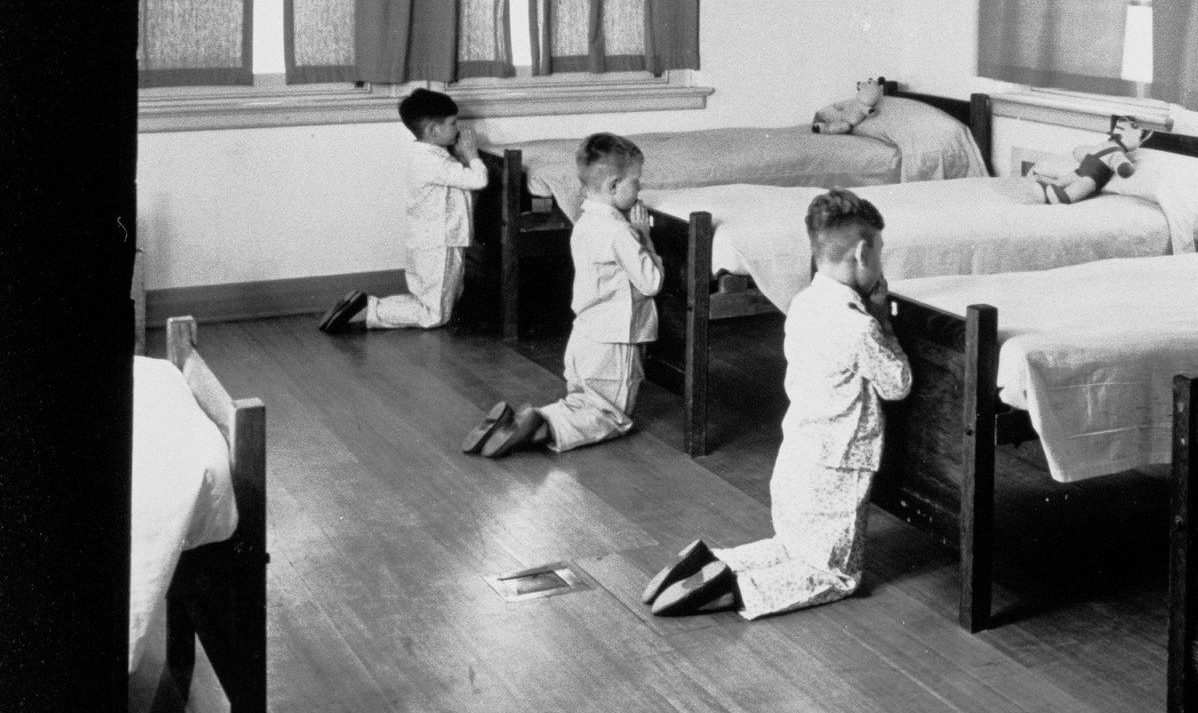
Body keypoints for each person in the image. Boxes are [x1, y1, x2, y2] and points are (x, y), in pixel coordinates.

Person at [647, 188, 912, 618]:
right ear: (862, 253)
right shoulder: (859, 326)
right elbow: (897, 384)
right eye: (879, 253)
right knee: (834, 574)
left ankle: (716, 561)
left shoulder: (803, 304)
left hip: (796, 455)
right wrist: (883, 320)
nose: (880, 264)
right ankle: (737, 587)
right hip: (840, 463)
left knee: (791, 545)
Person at [467, 134, 664, 458]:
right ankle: (544, 427)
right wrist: (645, 238)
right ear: (614, 185)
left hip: (584, 336)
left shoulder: (584, 222)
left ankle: (523, 420)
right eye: (637, 181)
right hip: (615, 339)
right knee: (611, 414)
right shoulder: (621, 233)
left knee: (583, 399)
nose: (640, 189)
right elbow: (651, 281)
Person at [319, 88, 488, 334]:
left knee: (431, 300)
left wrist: (461, 157)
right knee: (434, 315)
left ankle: (365, 305)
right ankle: (370, 309)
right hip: (440, 244)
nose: (458, 129)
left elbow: (454, 179)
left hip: (424, 242)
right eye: (453, 123)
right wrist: (472, 155)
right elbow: (478, 180)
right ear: (433, 130)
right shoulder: (434, 161)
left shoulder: (423, 154)